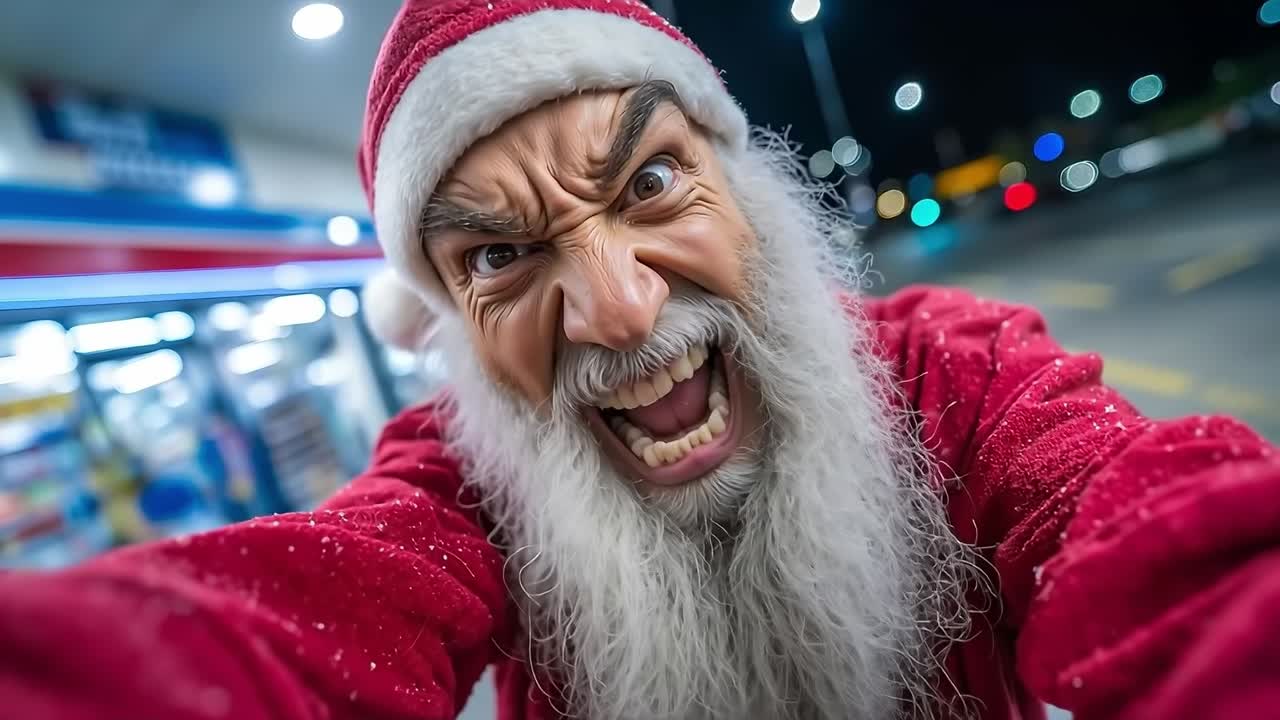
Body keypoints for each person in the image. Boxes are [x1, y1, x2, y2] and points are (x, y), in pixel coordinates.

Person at [3, 2, 1279, 718]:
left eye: (653, 180)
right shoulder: (464, 489)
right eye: (497, 258)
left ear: (748, 191)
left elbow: (1169, 546)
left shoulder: (955, 376)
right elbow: (264, 634)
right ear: (445, 317)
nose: (614, 312)